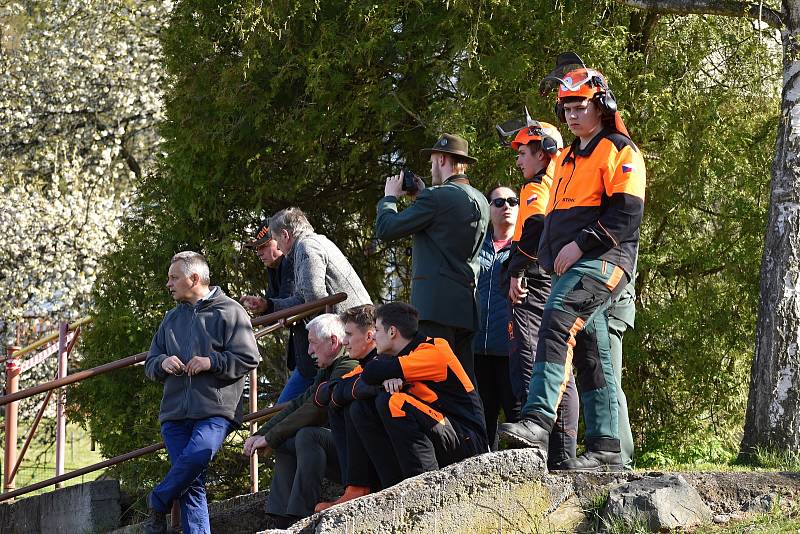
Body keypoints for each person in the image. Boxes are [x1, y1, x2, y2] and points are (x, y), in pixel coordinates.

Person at [499, 53, 645, 471]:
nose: (573, 114)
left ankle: (538, 419)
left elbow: (626, 214)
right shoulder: (565, 160)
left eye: (580, 106)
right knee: (592, 356)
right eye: (567, 107)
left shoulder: (620, 149)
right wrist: (542, 258)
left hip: (605, 261)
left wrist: (578, 246)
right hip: (573, 265)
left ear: (601, 105)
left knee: (557, 319)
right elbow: (548, 218)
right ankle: (607, 449)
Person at [144, 251, 260, 534]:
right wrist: (162, 362)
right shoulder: (170, 319)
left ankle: (158, 499)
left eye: (173, 278)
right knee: (191, 484)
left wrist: (212, 362)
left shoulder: (230, 311)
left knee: (199, 455)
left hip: (215, 412)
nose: (168, 284)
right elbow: (150, 364)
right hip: (174, 414)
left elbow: (249, 357)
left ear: (194, 278)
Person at [375, 134, 489, 380]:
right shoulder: (481, 199)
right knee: (463, 384)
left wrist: (389, 198)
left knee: (434, 381)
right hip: (466, 308)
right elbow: (444, 234)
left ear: (442, 159)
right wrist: (422, 196)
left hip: (435, 308)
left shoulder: (437, 198)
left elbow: (387, 228)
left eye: (432, 161)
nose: (430, 167)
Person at [502, 120, 580, 468]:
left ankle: (551, 460)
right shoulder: (562, 179)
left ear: (542, 151)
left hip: (534, 281)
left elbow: (533, 228)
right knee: (554, 363)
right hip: (549, 277)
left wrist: (517, 269)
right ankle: (560, 458)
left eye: (522, 153)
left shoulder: (537, 185)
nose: (518, 161)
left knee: (536, 363)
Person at [350, 302, 488, 488]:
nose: (373, 335)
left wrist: (386, 375)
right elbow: (368, 375)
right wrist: (385, 380)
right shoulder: (398, 356)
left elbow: (372, 371)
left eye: (377, 329)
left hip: (467, 439)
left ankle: (424, 486)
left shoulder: (435, 350)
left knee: (395, 402)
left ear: (392, 332)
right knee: (362, 408)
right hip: (443, 431)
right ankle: (390, 487)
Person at [242, 314, 357, 529]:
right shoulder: (328, 368)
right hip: (344, 453)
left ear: (333, 342)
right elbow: (300, 403)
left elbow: (315, 409)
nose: (309, 351)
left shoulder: (348, 365)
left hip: (358, 459)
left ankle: (300, 515)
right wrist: (263, 434)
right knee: (285, 440)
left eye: (313, 343)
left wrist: (270, 437)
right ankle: (281, 517)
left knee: (307, 435)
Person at [313, 304, 381, 512]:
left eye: (349, 335)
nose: (344, 341)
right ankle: (354, 487)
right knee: (339, 403)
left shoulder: (385, 360)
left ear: (369, 336)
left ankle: (359, 486)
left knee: (356, 406)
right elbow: (323, 395)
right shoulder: (362, 364)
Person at [240, 219, 314, 402]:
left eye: (263, 246)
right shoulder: (274, 269)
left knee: (285, 411)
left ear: (281, 239)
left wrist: (266, 306)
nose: (258, 253)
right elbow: (274, 312)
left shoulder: (291, 262)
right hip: (304, 354)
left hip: (315, 351)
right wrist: (262, 305)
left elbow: (291, 305)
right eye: (256, 249)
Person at [472, 184, 519, 449]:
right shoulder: (477, 247)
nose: (507, 207)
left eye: (512, 201)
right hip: (478, 348)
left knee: (517, 417)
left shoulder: (526, 247)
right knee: (481, 420)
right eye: (499, 202)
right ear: (488, 209)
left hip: (512, 349)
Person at [265, 207, 372, 316]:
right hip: (355, 320)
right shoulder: (308, 244)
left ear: (285, 235)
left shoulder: (306, 246)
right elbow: (302, 299)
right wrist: (267, 305)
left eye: (276, 239)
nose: (277, 246)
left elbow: (314, 299)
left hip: (354, 323)